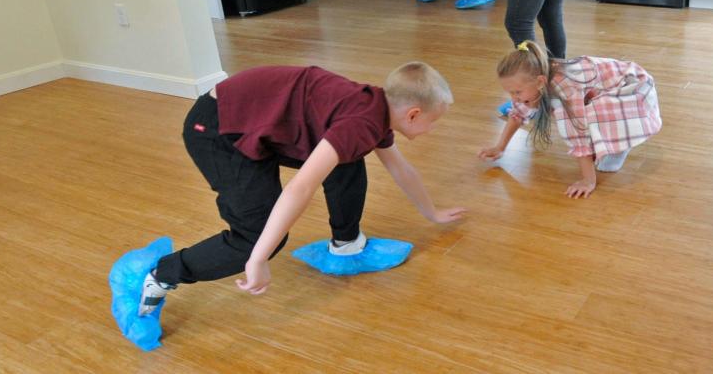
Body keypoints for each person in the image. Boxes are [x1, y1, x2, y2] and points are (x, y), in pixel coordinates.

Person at [135, 62, 467, 318]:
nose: (431, 129)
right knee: (256, 238)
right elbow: (301, 187)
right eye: (432, 122)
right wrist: (260, 257)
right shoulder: (362, 122)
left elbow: (401, 168)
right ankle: (160, 275)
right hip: (218, 132)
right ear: (412, 114)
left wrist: (432, 213)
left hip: (252, 121)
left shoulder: (375, 108)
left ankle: (346, 244)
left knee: (347, 159)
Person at [478, 41, 662, 199]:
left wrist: (588, 181)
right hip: (614, 88)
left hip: (636, 90)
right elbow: (518, 114)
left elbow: (578, 132)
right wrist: (500, 147)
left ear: (540, 82)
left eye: (517, 92)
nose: (514, 97)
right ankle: (612, 140)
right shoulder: (536, 78)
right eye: (510, 92)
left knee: (590, 115)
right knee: (588, 112)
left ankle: (619, 147)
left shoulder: (564, 89)